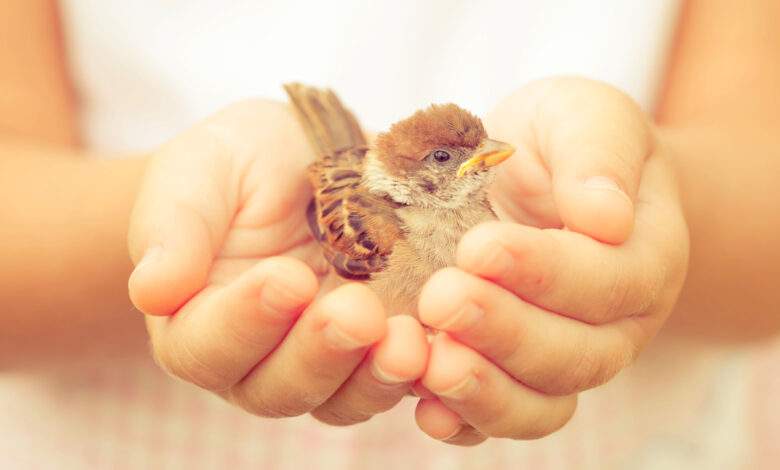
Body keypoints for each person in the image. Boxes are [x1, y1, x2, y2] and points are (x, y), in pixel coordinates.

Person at [1, 0, 779, 468]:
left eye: (478, 151)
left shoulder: (494, 205)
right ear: (417, 175)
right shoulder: (372, 233)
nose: (486, 164)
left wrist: (654, 187)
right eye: (454, 158)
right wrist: (181, 228)